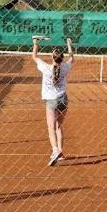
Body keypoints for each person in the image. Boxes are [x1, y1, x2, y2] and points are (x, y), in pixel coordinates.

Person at [32, 36, 75, 166]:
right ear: (62, 58)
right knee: (58, 126)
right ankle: (60, 152)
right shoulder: (65, 67)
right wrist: (69, 44)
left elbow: (34, 56)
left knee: (51, 126)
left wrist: (36, 43)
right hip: (63, 100)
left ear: (52, 58)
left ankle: (55, 149)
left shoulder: (46, 68)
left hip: (51, 101)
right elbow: (72, 58)